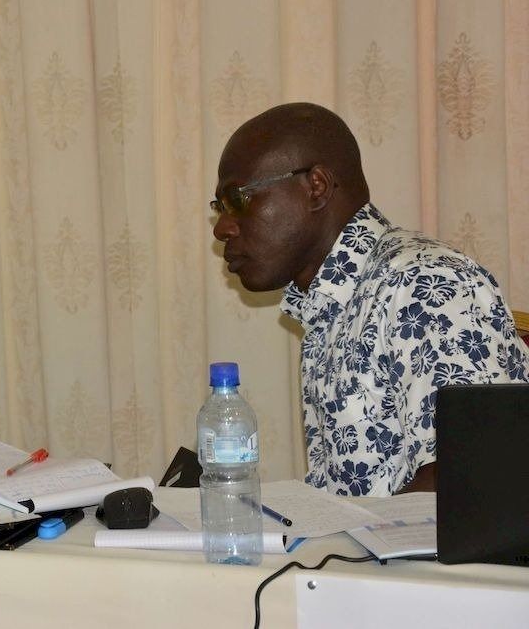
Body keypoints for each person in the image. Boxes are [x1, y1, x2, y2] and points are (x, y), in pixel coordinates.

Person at [212, 103, 525, 497]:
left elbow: (475, 476)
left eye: (238, 199)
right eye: (220, 208)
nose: (222, 228)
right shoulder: (331, 304)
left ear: (316, 187)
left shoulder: (423, 284)